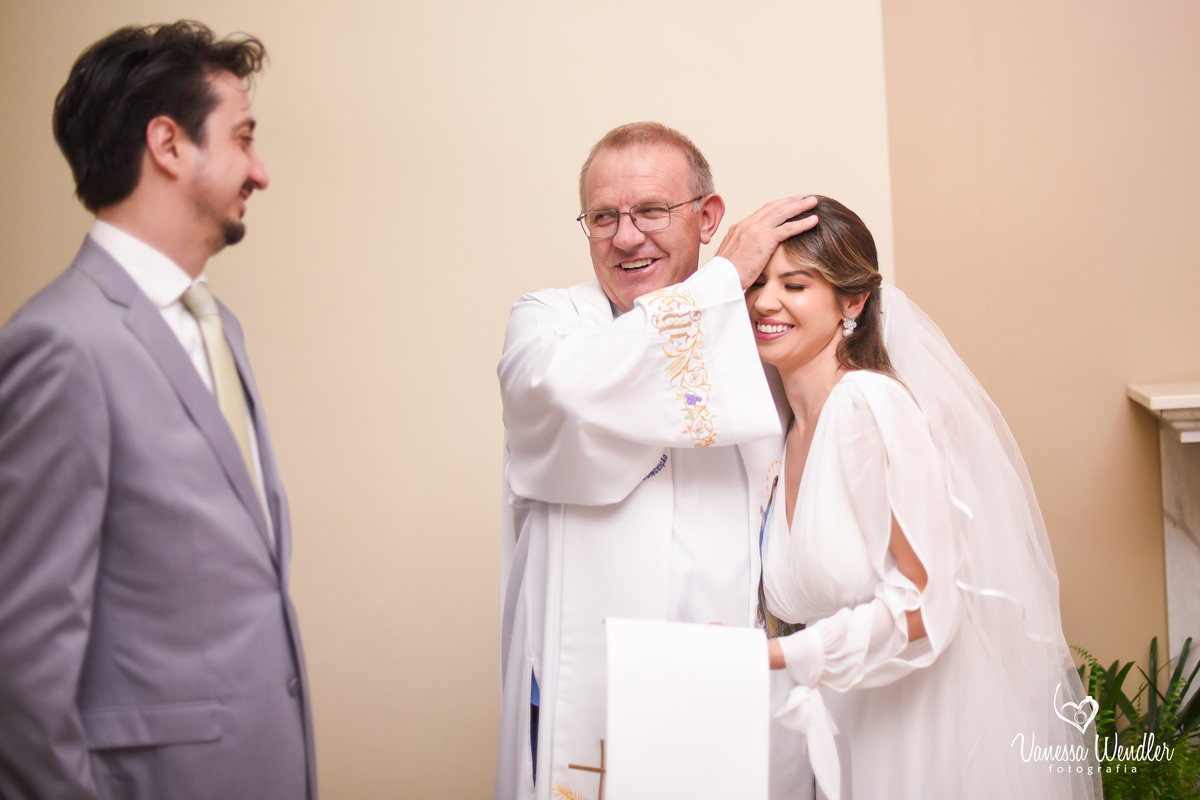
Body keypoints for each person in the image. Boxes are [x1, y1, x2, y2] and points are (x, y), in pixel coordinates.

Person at [0, 22, 316, 800]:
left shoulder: (217, 325)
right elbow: (21, 655)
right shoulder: (60, 343)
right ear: (169, 145)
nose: (261, 172)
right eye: (242, 139)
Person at [496, 122, 818, 800]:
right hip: (590, 688)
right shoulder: (548, 323)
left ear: (707, 218)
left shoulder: (760, 340)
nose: (625, 236)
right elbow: (569, 395)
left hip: (736, 684)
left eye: (650, 211)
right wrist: (725, 275)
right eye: (603, 217)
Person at [745, 196, 1100, 799]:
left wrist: (772, 662)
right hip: (844, 720)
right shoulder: (781, 432)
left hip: (916, 727)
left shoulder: (867, 407)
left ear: (852, 301)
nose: (763, 301)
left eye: (795, 283)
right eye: (754, 281)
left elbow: (923, 607)